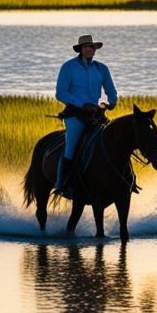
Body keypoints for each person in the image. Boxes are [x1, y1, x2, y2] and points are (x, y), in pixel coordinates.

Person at [54, 34, 118, 198]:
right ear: (80, 50)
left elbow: (110, 90)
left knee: (114, 141)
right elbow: (61, 93)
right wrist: (81, 103)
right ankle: (62, 185)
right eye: (86, 47)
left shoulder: (101, 68)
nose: (90, 50)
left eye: (92, 47)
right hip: (75, 114)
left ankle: (122, 181)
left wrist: (110, 102)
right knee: (70, 148)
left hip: (96, 114)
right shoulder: (68, 67)